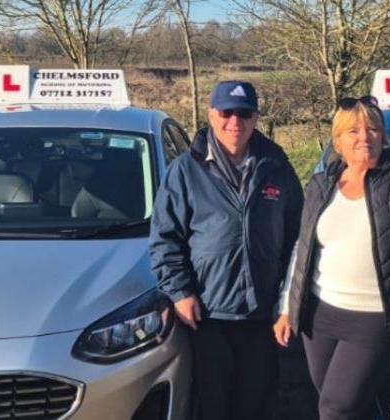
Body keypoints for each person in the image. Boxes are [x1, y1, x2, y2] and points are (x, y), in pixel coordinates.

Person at [273, 96, 390, 420]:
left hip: (374, 319)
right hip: (320, 317)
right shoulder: (322, 185)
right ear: (337, 141)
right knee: (348, 406)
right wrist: (287, 306)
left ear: (383, 136)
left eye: (372, 129)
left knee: (335, 407)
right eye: (353, 131)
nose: (364, 137)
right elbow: (303, 247)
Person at [149, 80, 303, 420]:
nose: (235, 122)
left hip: (263, 313)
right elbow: (165, 239)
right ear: (210, 115)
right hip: (208, 314)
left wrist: (287, 301)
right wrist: (180, 293)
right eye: (226, 113)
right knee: (213, 405)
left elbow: (298, 237)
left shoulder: (276, 166)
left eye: (244, 113)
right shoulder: (186, 170)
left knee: (258, 404)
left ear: (256, 118)